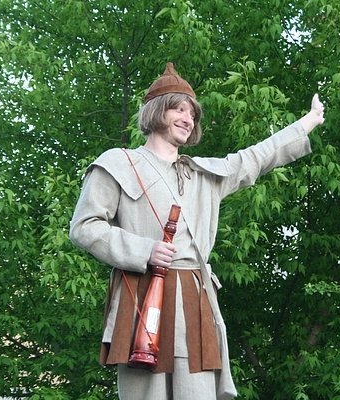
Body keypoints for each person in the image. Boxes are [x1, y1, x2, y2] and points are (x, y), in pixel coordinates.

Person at [69, 62, 325, 400]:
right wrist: (144, 250)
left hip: (194, 297)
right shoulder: (117, 163)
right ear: (157, 111)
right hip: (141, 295)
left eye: (192, 114)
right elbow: (84, 227)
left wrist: (308, 122)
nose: (188, 119)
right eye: (179, 109)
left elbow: (255, 158)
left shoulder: (203, 174)